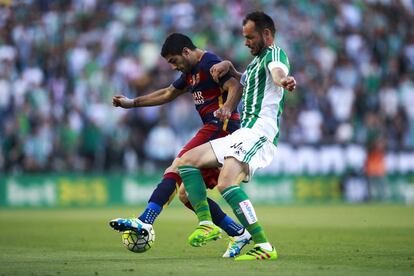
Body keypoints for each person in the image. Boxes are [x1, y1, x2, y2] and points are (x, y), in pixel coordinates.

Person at [109, 33, 252, 258]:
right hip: (216, 130)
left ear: (186, 52)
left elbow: (235, 86)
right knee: (187, 194)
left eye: (174, 61)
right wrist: (132, 103)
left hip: (221, 127)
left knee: (177, 165)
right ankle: (239, 233)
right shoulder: (190, 72)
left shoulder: (209, 62)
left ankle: (146, 220)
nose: (174, 67)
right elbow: (168, 93)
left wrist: (228, 107)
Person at [177, 11, 296, 261]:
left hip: (260, 132)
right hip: (244, 131)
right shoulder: (255, 62)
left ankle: (264, 246)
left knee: (226, 183)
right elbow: (251, 82)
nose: (246, 42)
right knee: (187, 160)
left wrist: (283, 80)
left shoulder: (274, 54)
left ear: (266, 34)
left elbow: (277, 73)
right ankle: (207, 224)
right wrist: (231, 67)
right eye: (244, 37)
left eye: (250, 37)